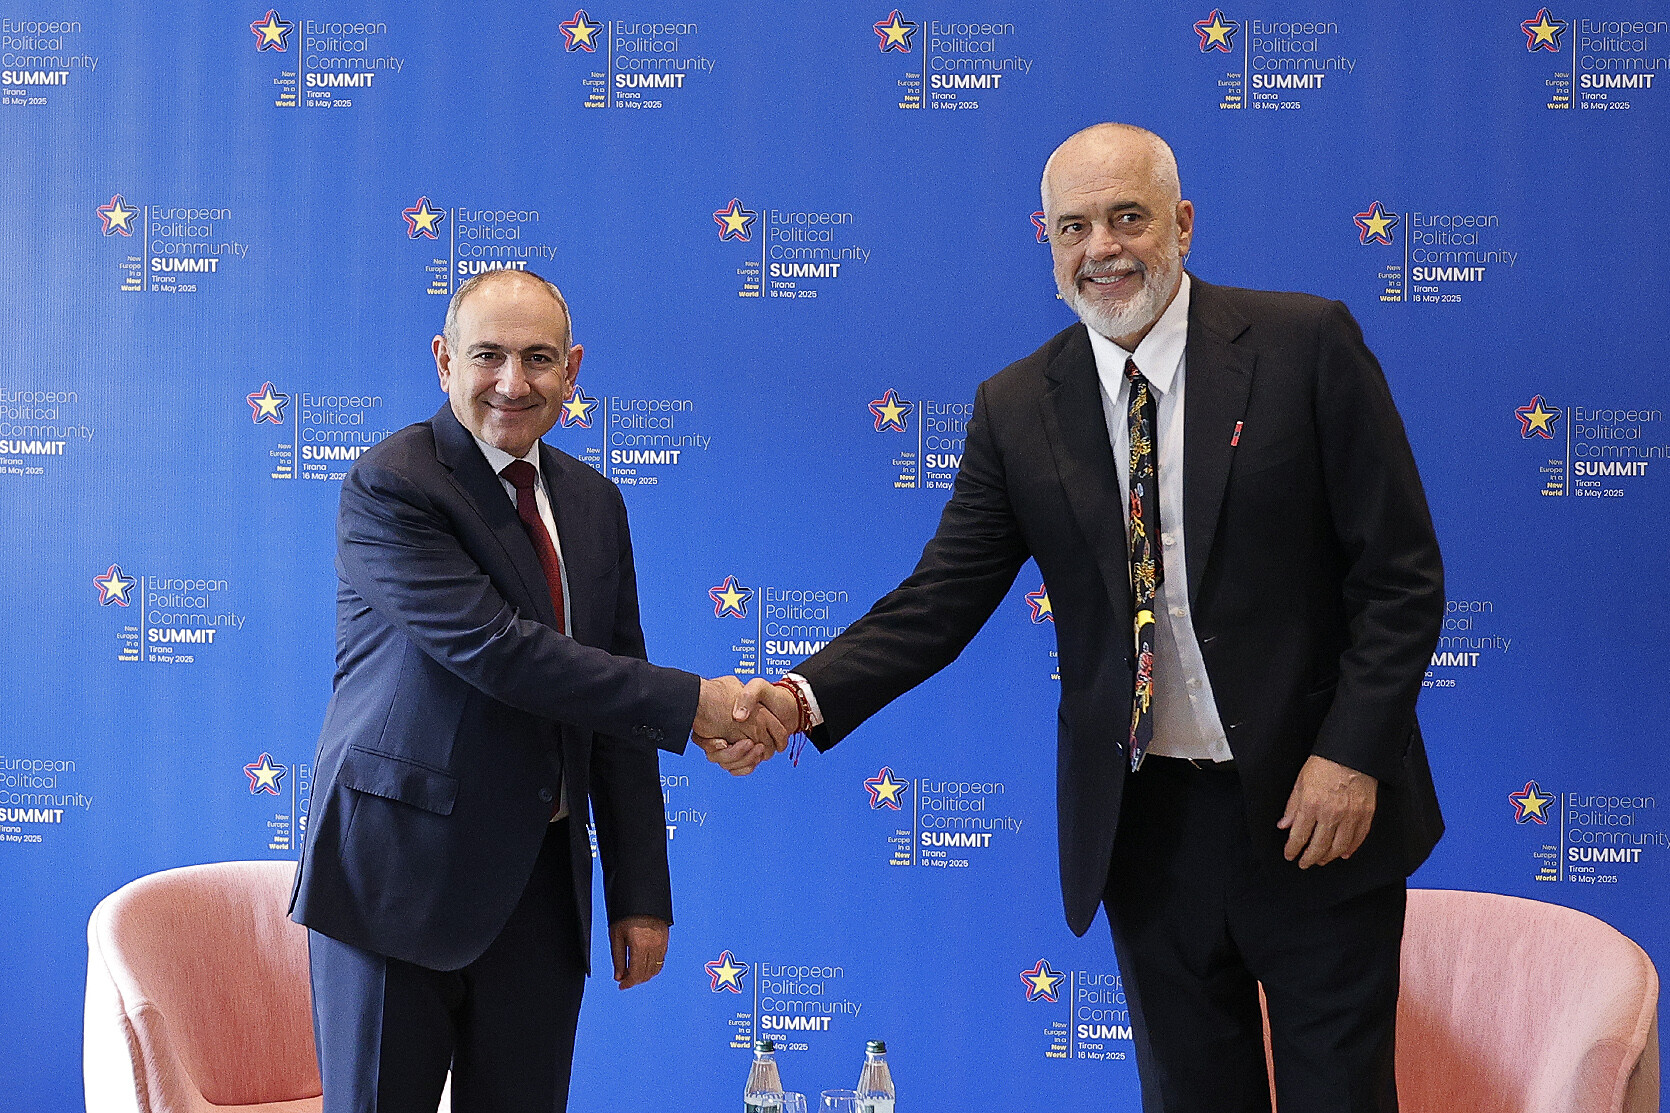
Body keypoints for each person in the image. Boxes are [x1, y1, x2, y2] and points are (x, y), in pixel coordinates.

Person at [723, 124, 1445, 1112]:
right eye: (1074, 226)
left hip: (1312, 809)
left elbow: (1399, 576)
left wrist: (1350, 755)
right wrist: (800, 696)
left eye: (1127, 217)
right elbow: (939, 598)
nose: (1101, 248)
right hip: (1146, 830)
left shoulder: (1304, 345)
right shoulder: (1018, 404)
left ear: (1181, 224)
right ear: (1047, 241)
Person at [290, 269, 787, 1113]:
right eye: (488, 355)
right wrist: (695, 703)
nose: (513, 382)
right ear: (444, 360)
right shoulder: (393, 483)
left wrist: (639, 893)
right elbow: (499, 652)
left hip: (541, 891)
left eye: (538, 358)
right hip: (396, 881)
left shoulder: (595, 503)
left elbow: (614, 695)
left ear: (572, 369)